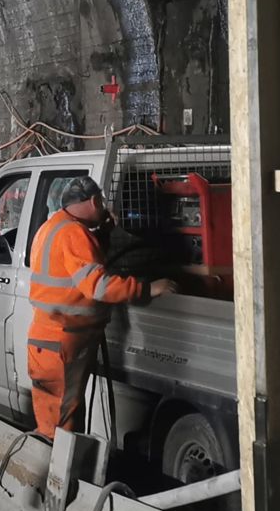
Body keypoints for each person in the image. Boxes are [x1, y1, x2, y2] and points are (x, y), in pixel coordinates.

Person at [26, 175, 176, 439]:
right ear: (95, 200)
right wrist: (148, 288)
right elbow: (98, 286)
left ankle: (53, 473)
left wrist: (103, 235)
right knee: (62, 428)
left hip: (46, 341)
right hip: (64, 341)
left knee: (55, 422)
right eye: (102, 202)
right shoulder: (74, 233)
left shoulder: (52, 227)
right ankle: (63, 478)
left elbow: (79, 269)